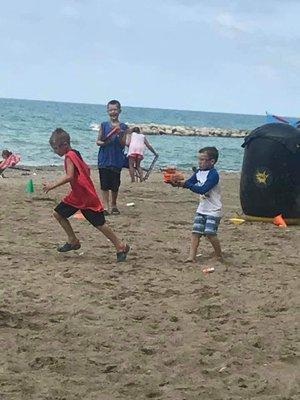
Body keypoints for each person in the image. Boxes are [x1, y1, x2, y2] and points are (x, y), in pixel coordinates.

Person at [43, 128, 130, 262]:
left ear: (65, 145)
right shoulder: (75, 153)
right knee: (58, 214)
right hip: (78, 195)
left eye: (56, 148)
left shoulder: (69, 156)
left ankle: (120, 246)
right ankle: (73, 240)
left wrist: (52, 185)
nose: (55, 151)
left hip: (84, 197)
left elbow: (69, 176)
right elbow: (86, 169)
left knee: (100, 224)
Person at [172, 147, 222, 263]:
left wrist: (187, 185)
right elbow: (190, 182)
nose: (200, 162)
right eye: (199, 159)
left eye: (203, 159)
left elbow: (202, 189)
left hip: (214, 210)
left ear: (212, 161)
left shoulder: (213, 175)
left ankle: (219, 254)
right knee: (196, 233)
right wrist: (177, 183)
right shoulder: (199, 172)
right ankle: (191, 257)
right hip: (202, 208)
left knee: (210, 234)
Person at [96, 100, 127, 215]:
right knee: (104, 184)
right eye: (110, 110)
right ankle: (105, 206)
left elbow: (124, 143)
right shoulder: (104, 125)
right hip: (104, 158)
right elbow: (98, 141)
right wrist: (104, 142)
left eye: (115, 109)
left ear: (119, 111)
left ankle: (113, 204)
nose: (113, 112)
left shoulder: (123, 127)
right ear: (107, 111)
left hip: (116, 159)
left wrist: (119, 135)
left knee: (115, 184)